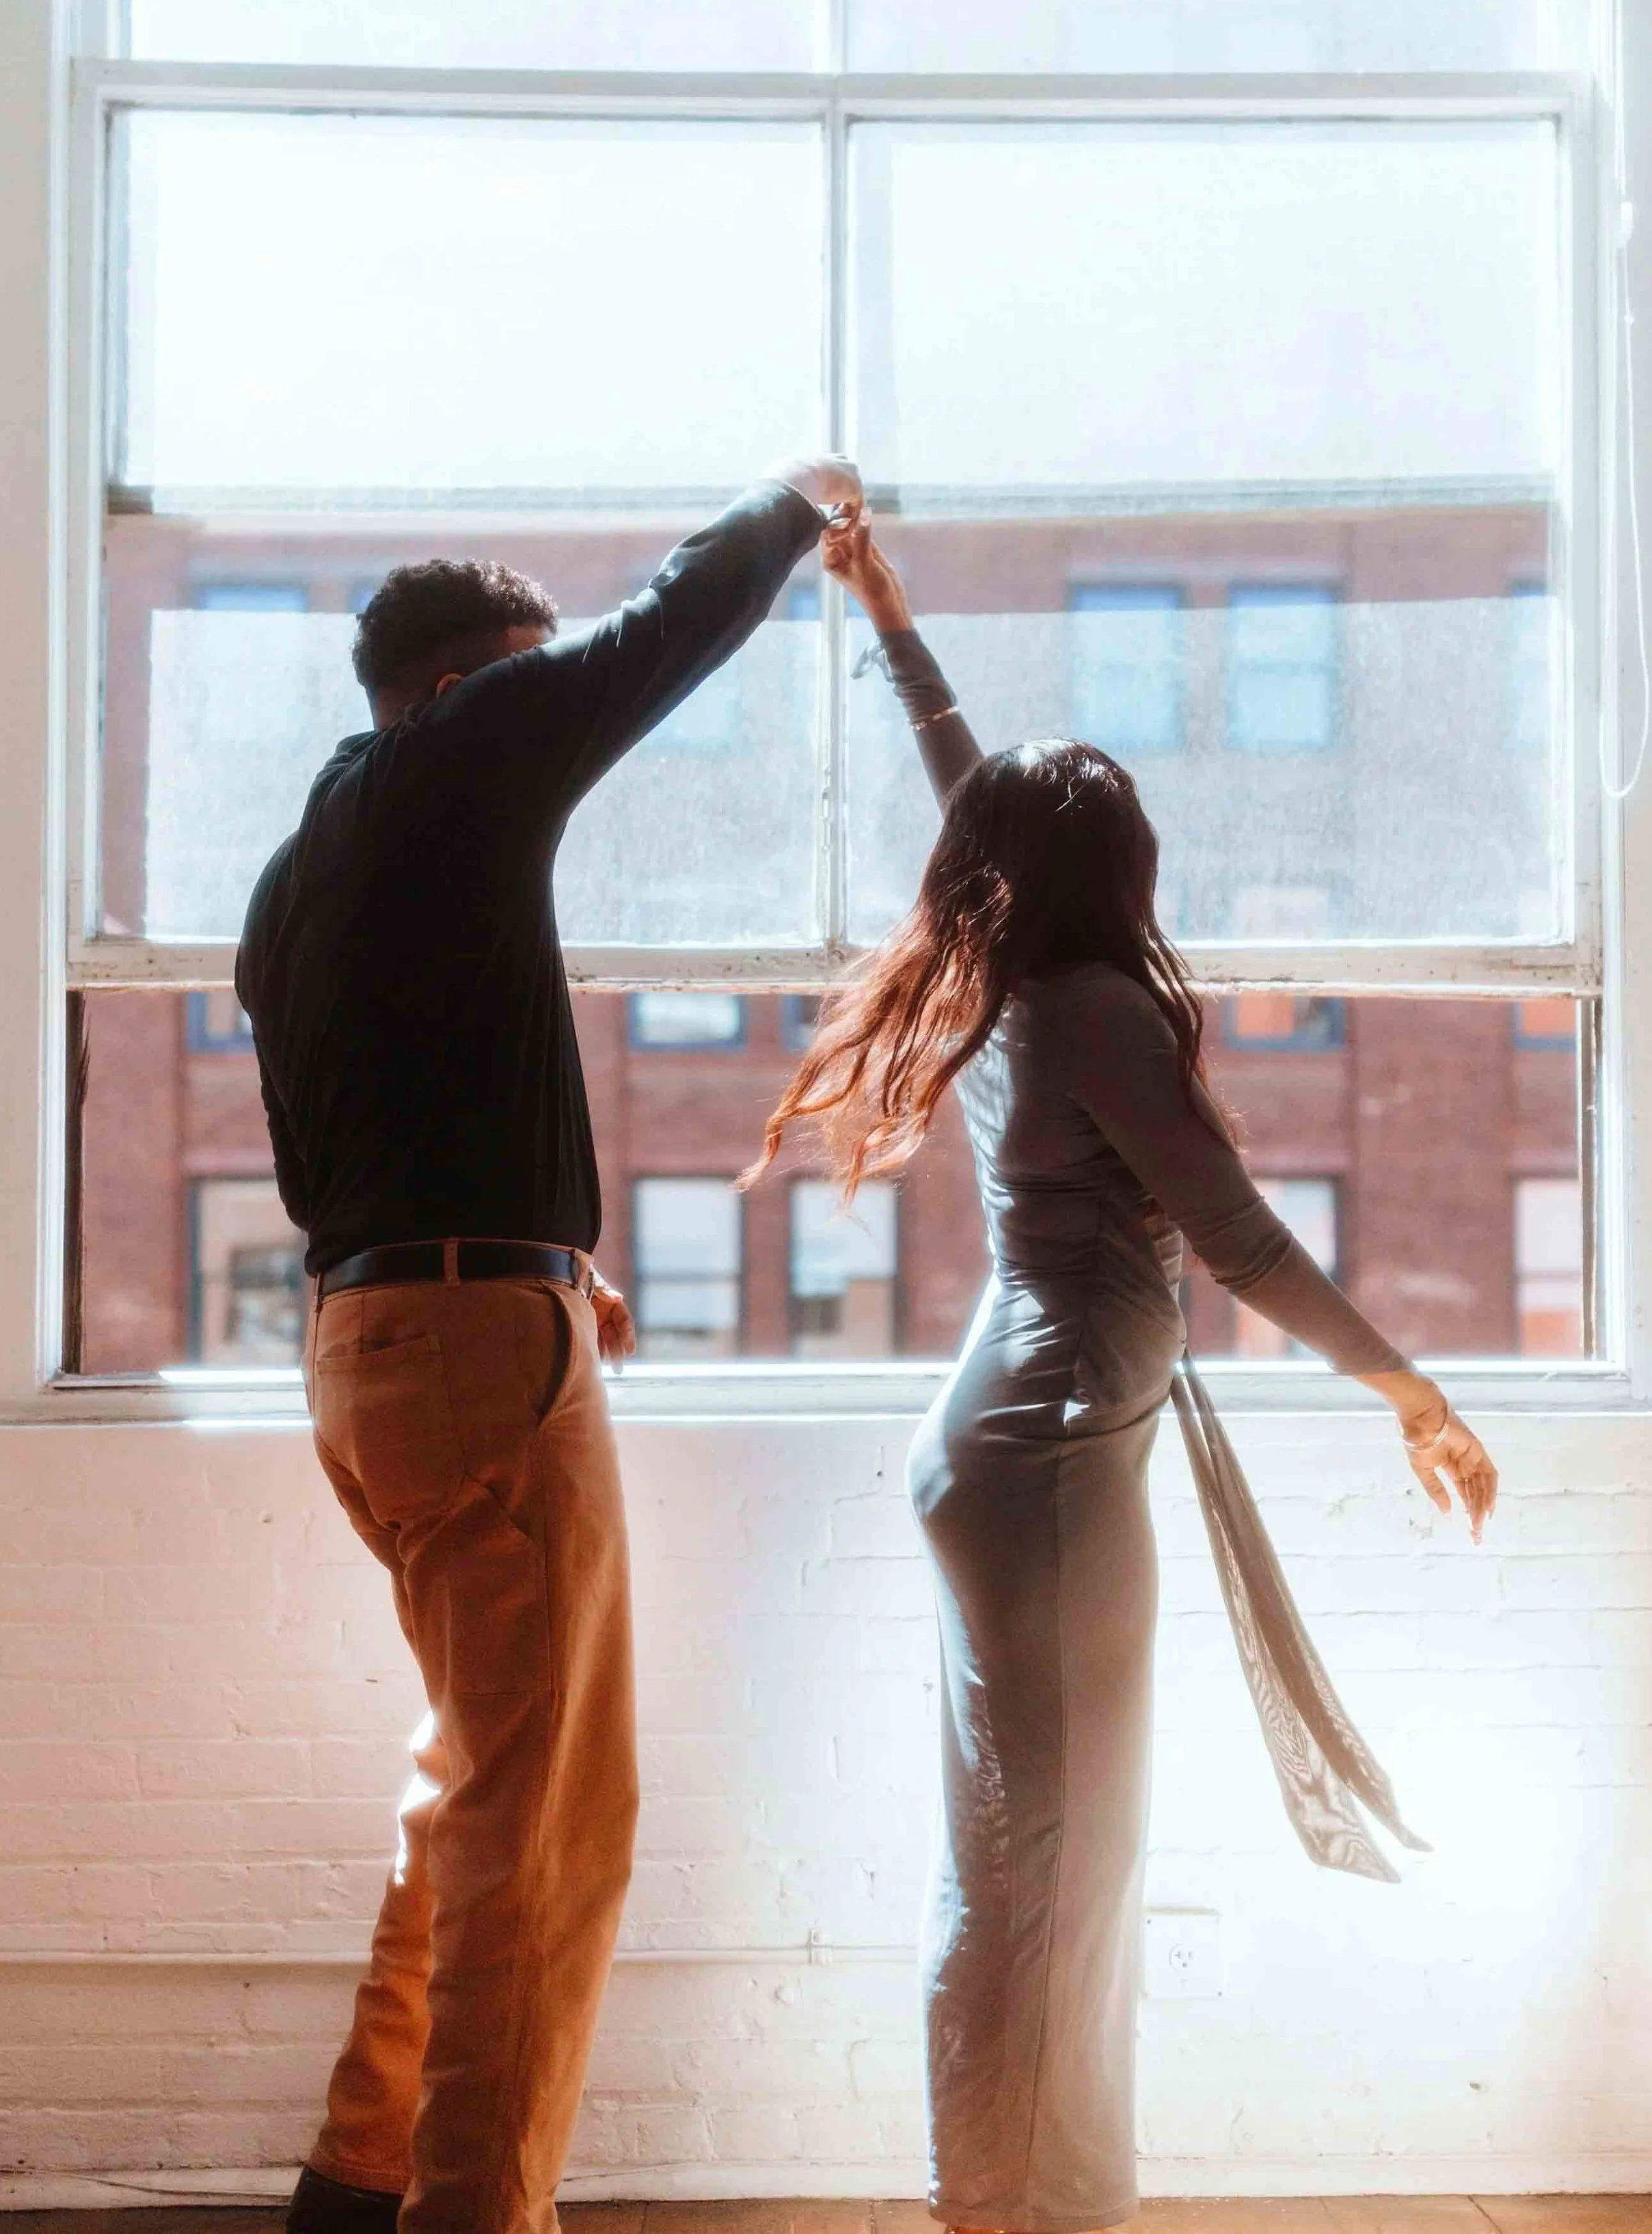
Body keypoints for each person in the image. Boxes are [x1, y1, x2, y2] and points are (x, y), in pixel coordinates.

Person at [754, 516, 1498, 2234]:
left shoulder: (1014, 974)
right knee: (1057, 1864)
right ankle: (1020, 2210)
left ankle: (1017, 2196)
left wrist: (885, 615)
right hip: (1053, 1455)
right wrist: (1412, 1390)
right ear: (1119, 869)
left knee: (1031, 1851)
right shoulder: (1084, 1001)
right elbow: (1234, 1238)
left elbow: (963, 784)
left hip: (1015, 1446)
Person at [235, 460, 863, 2234]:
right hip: (466, 1346)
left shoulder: (300, 880)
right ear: (457, 685)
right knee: (552, 1830)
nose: (542, 713)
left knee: (474, 1785)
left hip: (373, 1339)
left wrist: (528, 1254)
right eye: (518, 678)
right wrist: (791, 507)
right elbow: (652, 639)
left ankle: (359, 2176)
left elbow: (329, 1160)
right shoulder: (460, 756)